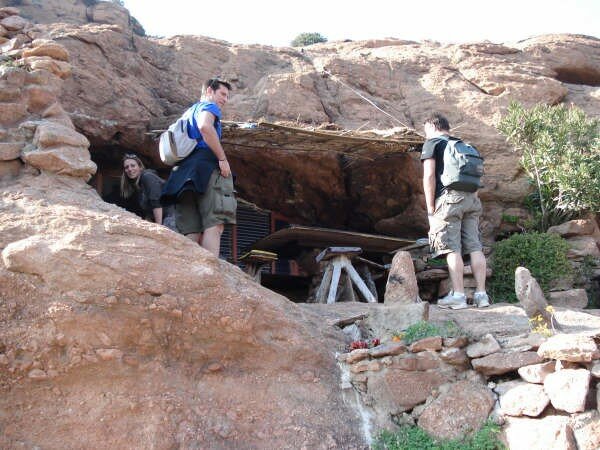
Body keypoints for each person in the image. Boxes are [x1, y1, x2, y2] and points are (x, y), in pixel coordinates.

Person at [161, 78, 237, 257]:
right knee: (215, 223)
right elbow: (205, 127)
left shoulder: (188, 112)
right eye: (222, 94)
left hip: (183, 173)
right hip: (206, 167)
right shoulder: (209, 107)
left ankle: (191, 272)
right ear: (210, 91)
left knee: (190, 229)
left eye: (227, 96)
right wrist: (222, 158)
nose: (225, 99)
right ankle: (210, 273)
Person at [421, 113, 490, 309]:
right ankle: (481, 295)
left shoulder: (433, 144)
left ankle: (458, 295)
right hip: (471, 198)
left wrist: (430, 208)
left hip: (449, 199)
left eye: (426, 131)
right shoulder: (465, 146)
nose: (426, 135)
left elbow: (429, 177)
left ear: (433, 127)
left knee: (452, 248)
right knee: (475, 246)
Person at [121, 153, 177, 230]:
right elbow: (148, 211)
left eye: (133, 165)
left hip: (172, 217)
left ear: (140, 167)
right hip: (164, 218)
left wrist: (158, 228)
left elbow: (156, 202)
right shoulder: (138, 186)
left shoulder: (147, 177)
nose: (130, 169)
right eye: (126, 167)